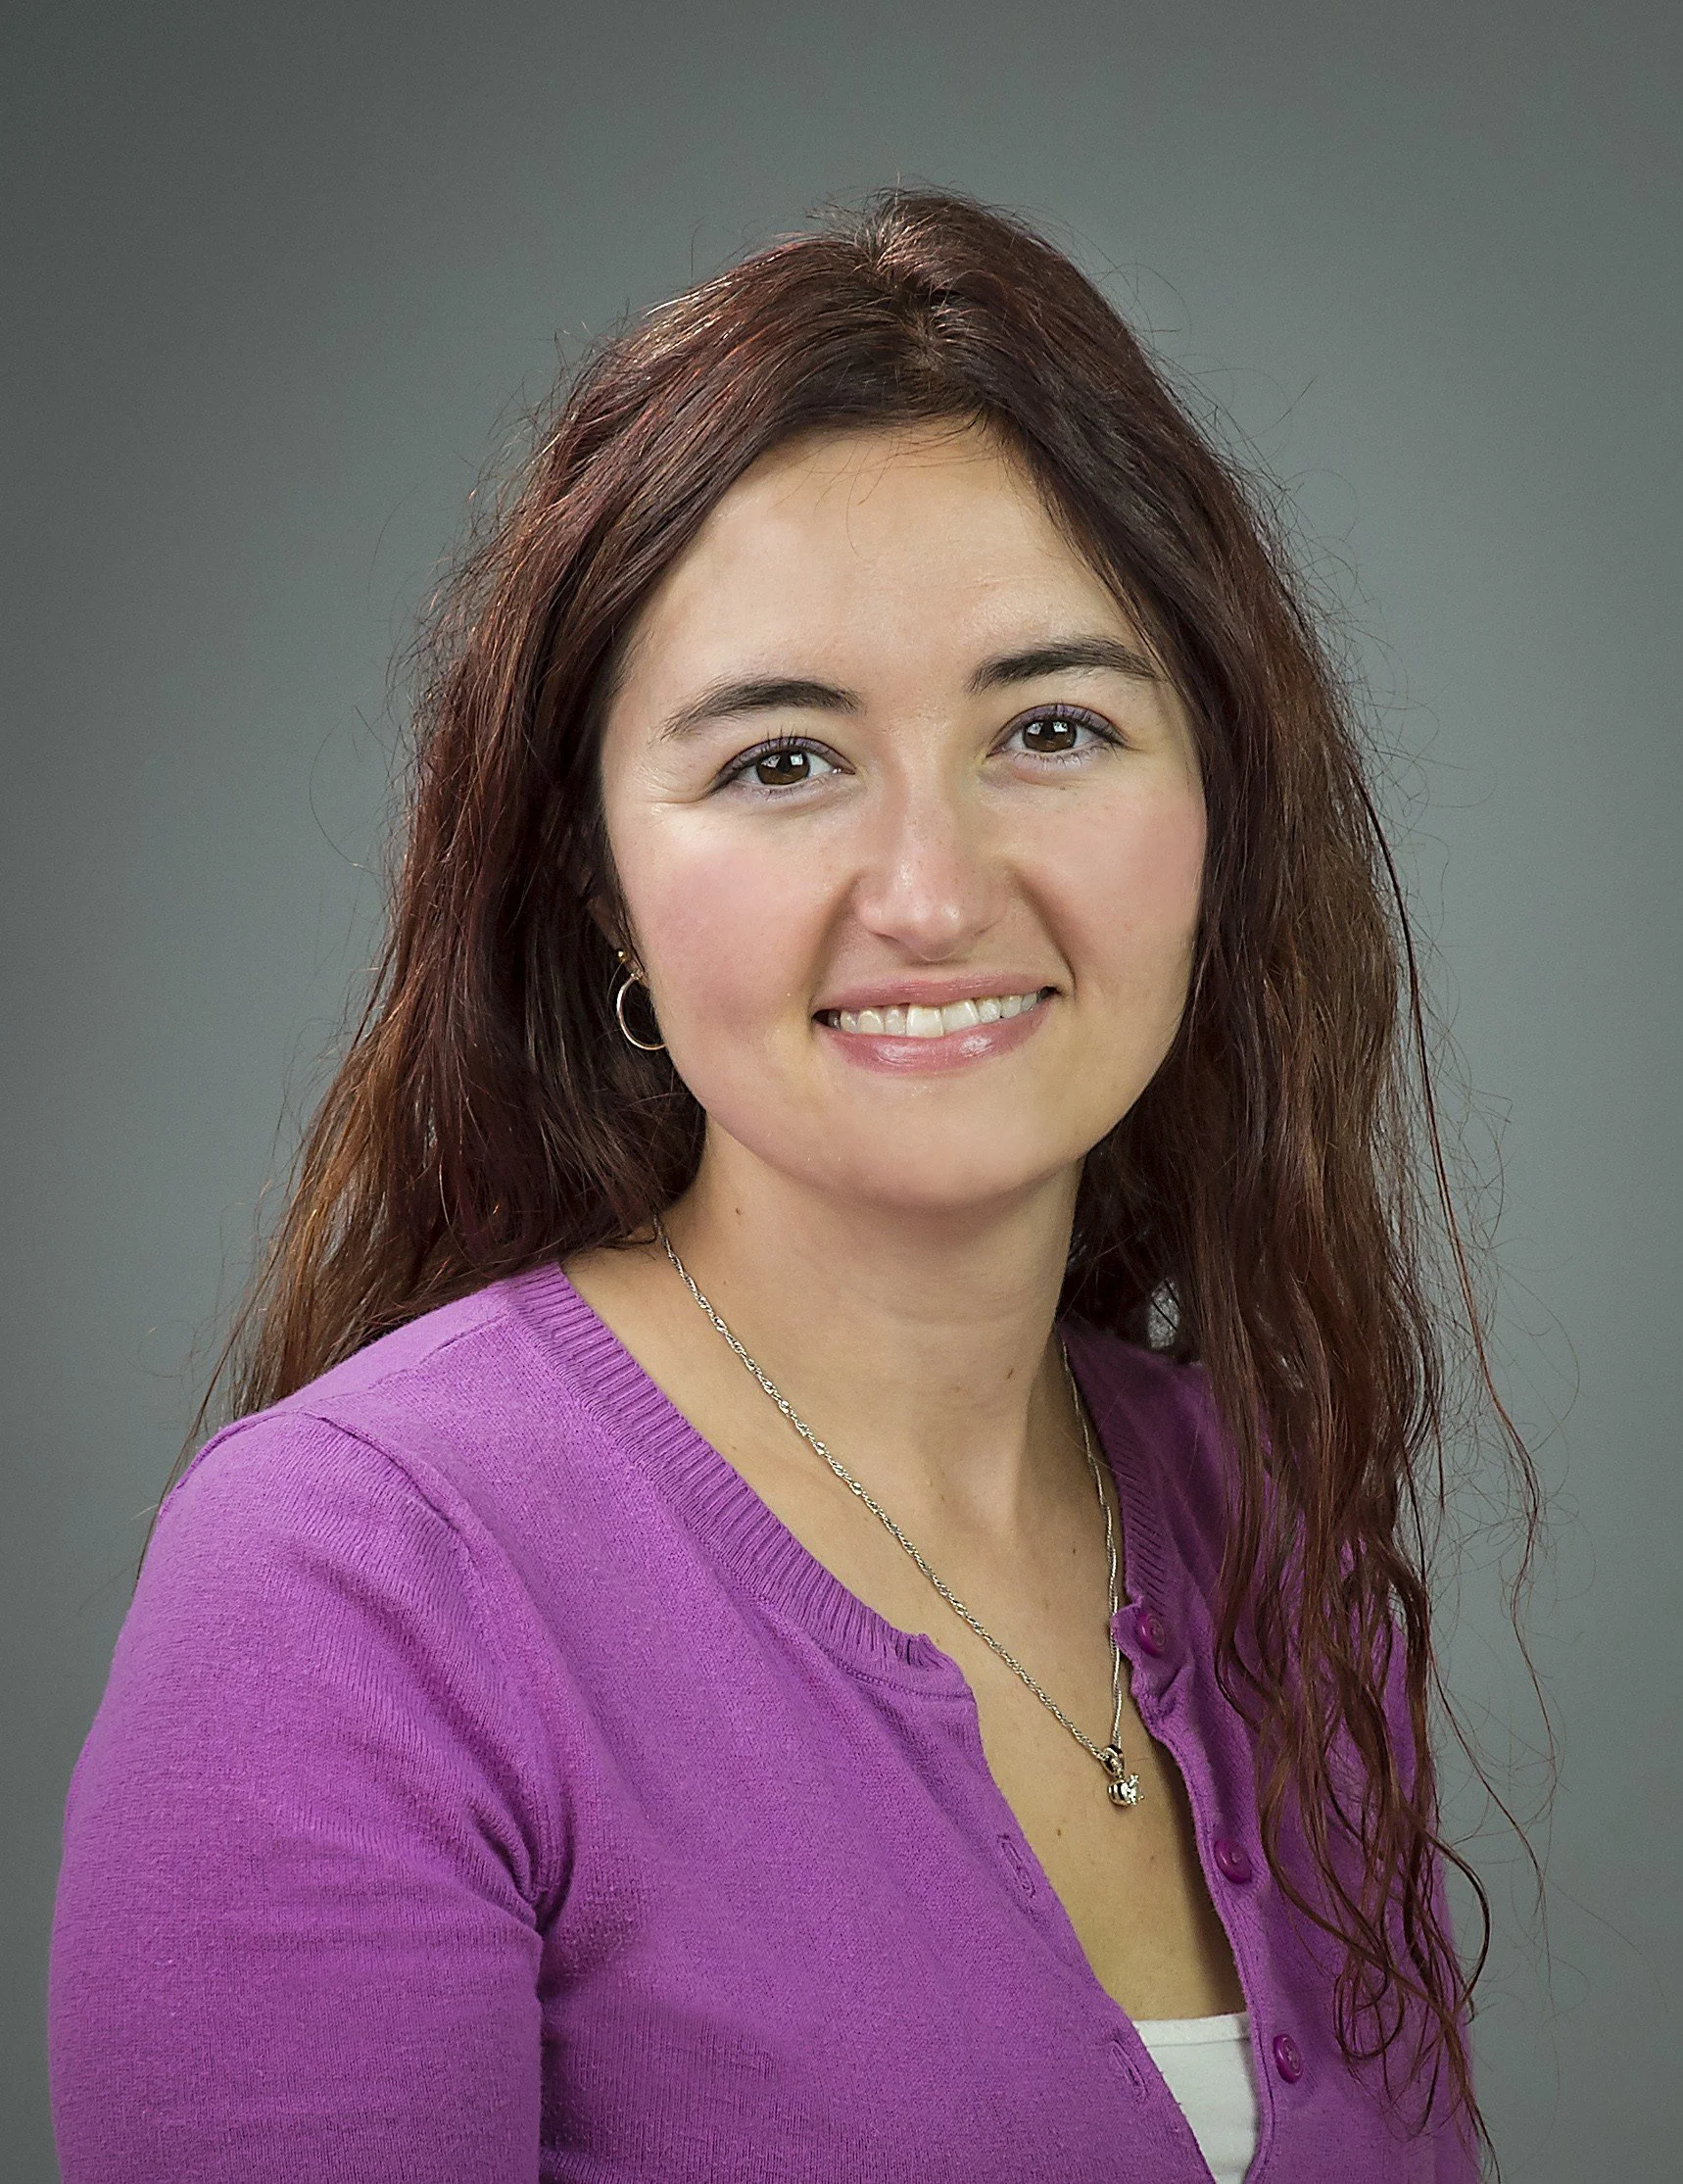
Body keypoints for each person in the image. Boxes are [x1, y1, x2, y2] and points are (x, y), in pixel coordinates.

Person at [47, 188, 1526, 2181]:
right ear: (598, 885)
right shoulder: (350, 1586)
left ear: (1218, 806)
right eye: (779, 762)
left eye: (1053, 727)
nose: (929, 892)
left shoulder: (1272, 1542)